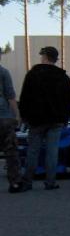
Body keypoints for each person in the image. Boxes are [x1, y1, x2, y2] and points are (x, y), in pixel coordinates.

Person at [18, 47, 70, 191]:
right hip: (56, 121)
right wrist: (65, 118)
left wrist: (23, 116)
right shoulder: (63, 77)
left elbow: (25, 97)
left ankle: (27, 181)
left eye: (42, 55)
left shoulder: (33, 74)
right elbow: (68, 100)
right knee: (52, 151)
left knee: (33, 150)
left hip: (36, 120)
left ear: (45, 57)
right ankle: (50, 182)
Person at [0, 52, 22, 193]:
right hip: (4, 116)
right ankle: (14, 183)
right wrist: (17, 115)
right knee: (11, 151)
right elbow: (10, 95)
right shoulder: (3, 72)